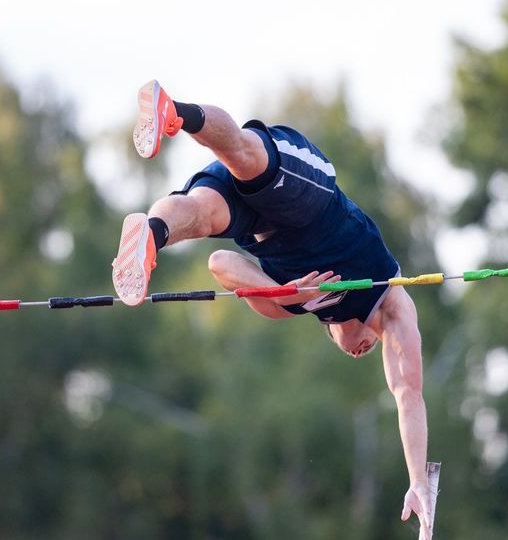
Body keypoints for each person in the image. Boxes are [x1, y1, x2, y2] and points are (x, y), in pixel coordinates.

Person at [112, 80, 433, 538]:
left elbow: (220, 262)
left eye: (355, 351)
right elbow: (408, 394)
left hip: (262, 229)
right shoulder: (391, 303)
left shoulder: (295, 306)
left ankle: (152, 232)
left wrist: (283, 294)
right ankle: (174, 112)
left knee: (204, 215)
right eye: (369, 346)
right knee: (243, 155)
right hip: (313, 197)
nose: (364, 349)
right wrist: (417, 479)